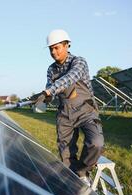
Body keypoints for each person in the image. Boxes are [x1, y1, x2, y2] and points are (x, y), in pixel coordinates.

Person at [30, 29, 104, 186]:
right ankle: (73, 182)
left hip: (86, 111)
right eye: (51, 49)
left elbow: (71, 78)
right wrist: (42, 98)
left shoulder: (79, 62)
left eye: (57, 47)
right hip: (65, 114)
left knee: (96, 143)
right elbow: (51, 92)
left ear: (67, 46)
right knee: (66, 154)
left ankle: (83, 171)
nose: (53, 52)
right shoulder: (51, 69)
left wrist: (50, 89)